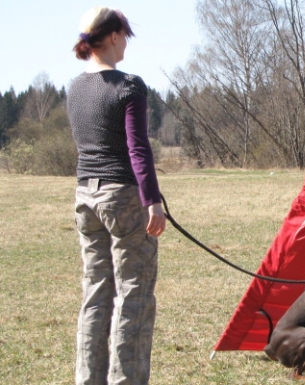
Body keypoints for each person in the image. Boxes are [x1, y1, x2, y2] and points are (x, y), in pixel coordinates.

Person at [67, 7, 166, 385]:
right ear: (111, 36)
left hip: (85, 196)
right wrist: (152, 200)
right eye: (124, 35)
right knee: (134, 296)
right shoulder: (128, 85)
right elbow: (137, 148)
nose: (125, 43)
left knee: (95, 294)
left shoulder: (75, 87)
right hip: (122, 196)